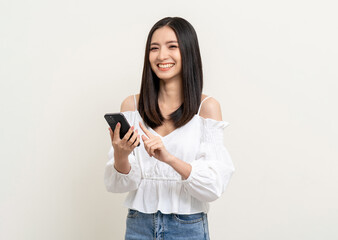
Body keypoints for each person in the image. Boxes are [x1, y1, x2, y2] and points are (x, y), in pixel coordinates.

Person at [104, 16, 235, 240]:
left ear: (188, 51)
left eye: (172, 46)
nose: (162, 56)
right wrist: (120, 154)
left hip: (187, 226)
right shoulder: (131, 106)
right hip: (139, 224)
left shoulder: (207, 108)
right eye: (154, 48)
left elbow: (214, 186)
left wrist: (169, 159)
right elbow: (121, 184)